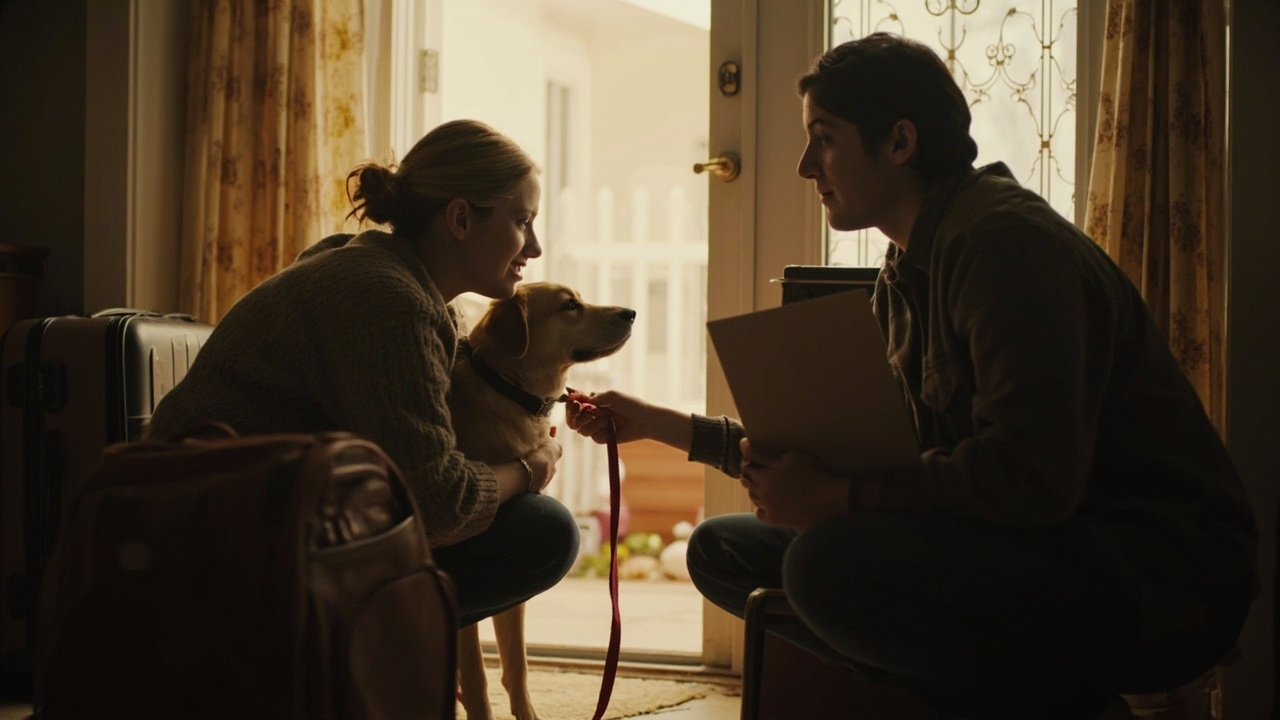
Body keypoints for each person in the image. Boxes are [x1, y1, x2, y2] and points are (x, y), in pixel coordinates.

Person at [566, 33, 1257, 719]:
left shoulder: (1003, 250)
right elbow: (868, 453)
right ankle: (1043, 698)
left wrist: (838, 499)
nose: (806, 165)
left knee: (824, 566)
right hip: (1030, 546)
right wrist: (662, 427)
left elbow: (1031, 482)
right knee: (723, 550)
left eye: (825, 138)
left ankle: (1060, 701)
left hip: (1150, 577)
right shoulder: (907, 268)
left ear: (899, 143)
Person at [147, 119, 579, 630]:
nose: (535, 247)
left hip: (250, 513)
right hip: (210, 539)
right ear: (460, 218)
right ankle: (328, 663)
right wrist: (533, 467)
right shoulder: (387, 301)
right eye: (522, 222)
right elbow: (438, 504)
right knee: (541, 533)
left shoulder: (388, 276)